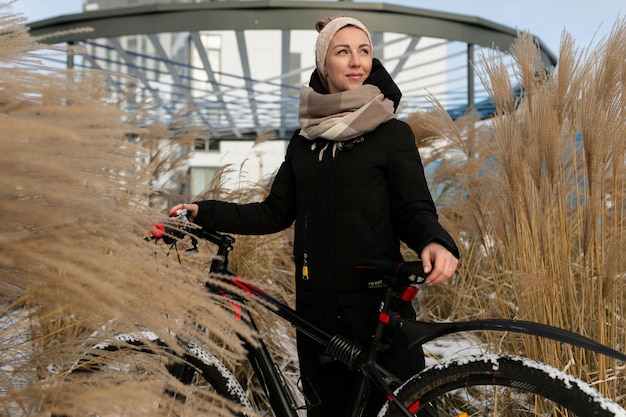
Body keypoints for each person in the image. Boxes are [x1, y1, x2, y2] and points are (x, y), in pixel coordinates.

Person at [170, 16, 460, 417]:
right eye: (343, 52)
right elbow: (273, 212)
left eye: (364, 51)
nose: (356, 61)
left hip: (374, 308)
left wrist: (435, 240)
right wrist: (204, 211)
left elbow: (413, 208)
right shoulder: (305, 142)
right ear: (325, 64)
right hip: (315, 313)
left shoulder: (393, 134)